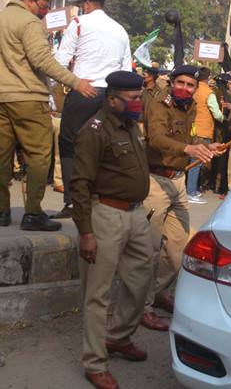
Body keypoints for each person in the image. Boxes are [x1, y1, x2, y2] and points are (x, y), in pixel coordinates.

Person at [70, 71, 152, 389]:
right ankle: (94, 363)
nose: (138, 103)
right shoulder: (94, 131)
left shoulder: (130, 126)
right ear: (113, 98)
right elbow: (79, 185)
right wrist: (86, 232)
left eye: (140, 97)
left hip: (136, 216)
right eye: (133, 99)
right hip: (105, 215)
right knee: (97, 294)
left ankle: (118, 338)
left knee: (140, 281)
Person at [0, 0, 97, 231]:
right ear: (30, 0)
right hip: (28, 98)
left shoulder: (2, 17)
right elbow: (42, 59)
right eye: (43, 7)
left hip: (2, 97)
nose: (44, 12)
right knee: (39, 156)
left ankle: (1, 211)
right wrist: (76, 82)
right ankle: (32, 213)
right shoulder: (29, 23)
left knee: (2, 156)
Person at [141, 65, 223, 330]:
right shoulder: (159, 103)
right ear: (173, 81)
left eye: (190, 85)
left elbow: (185, 138)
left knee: (177, 246)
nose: (185, 88)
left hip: (177, 180)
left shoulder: (190, 106)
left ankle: (158, 293)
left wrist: (206, 147)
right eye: (181, 83)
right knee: (149, 249)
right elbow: (155, 138)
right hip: (155, 180)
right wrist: (188, 148)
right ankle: (141, 309)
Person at [54, 0, 131, 220]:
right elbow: (126, 69)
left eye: (80, 5)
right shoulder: (120, 29)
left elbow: (60, 60)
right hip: (111, 95)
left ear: (87, 3)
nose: (79, 9)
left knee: (69, 143)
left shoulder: (78, 23)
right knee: (103, 147)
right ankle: (99, 199)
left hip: (83, 90)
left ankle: (72, 201)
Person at [187, 67, 223, 205]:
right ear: (208, 78)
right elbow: (217, 114)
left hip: (192, 129)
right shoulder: (209, 93)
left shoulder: (194, 90)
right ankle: (190, 192)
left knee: (193, 162)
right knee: (196, 163)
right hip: (203, 131)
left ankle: (192, 189)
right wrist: (224, 117)